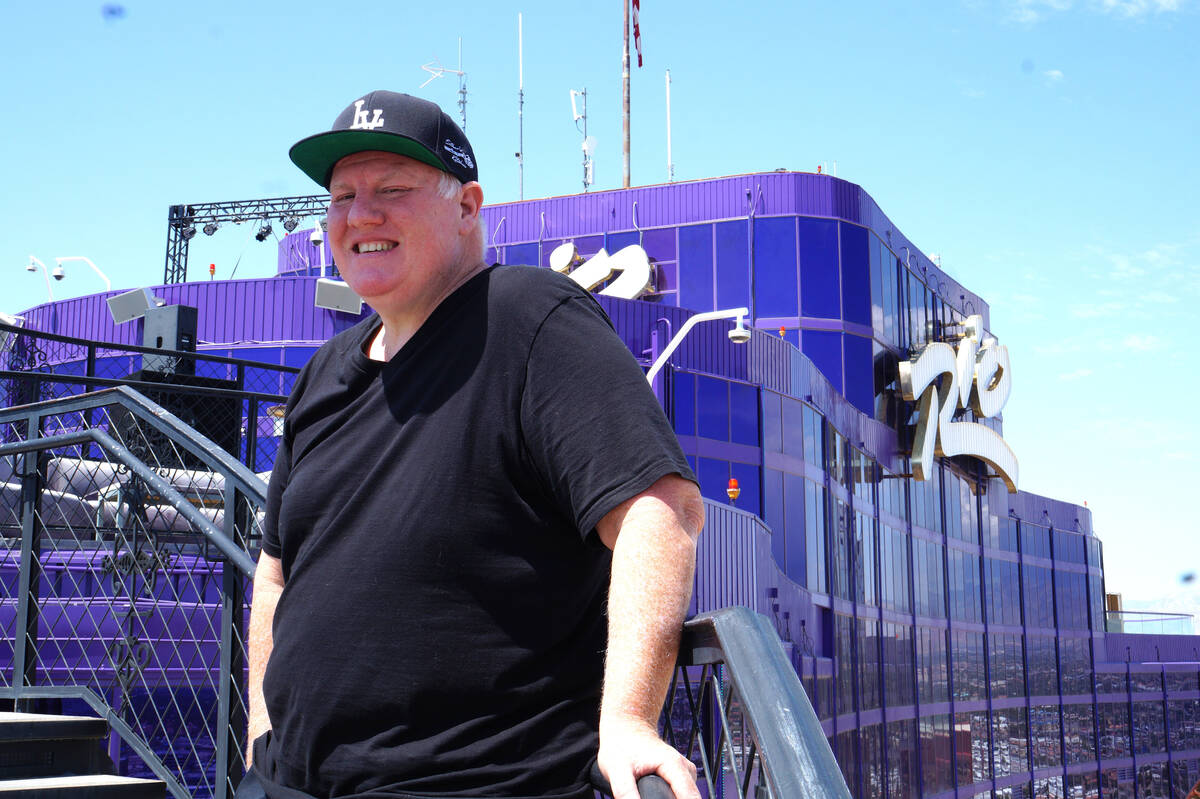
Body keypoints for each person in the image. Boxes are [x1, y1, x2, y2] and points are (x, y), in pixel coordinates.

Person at [247, 90, 704, 799]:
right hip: (286, 784)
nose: (360, 214)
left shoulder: (529, 319)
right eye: (342, 197)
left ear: (466, 207)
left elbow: (659, 511)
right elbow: (276, 573)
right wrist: (260, 739)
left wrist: (628, 721)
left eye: (391, 190)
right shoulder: (323, 374)